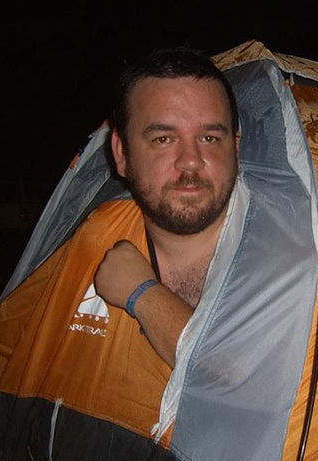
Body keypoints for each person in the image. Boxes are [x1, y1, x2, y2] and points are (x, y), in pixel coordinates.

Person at [94, 46, 241, 368]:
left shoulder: (297, 258)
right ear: (121, 153)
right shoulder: (90, 243)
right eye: (163, 139)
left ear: (236, 148)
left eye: (209, 138)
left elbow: (260, 385)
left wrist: (143, 295)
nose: (190, 160)